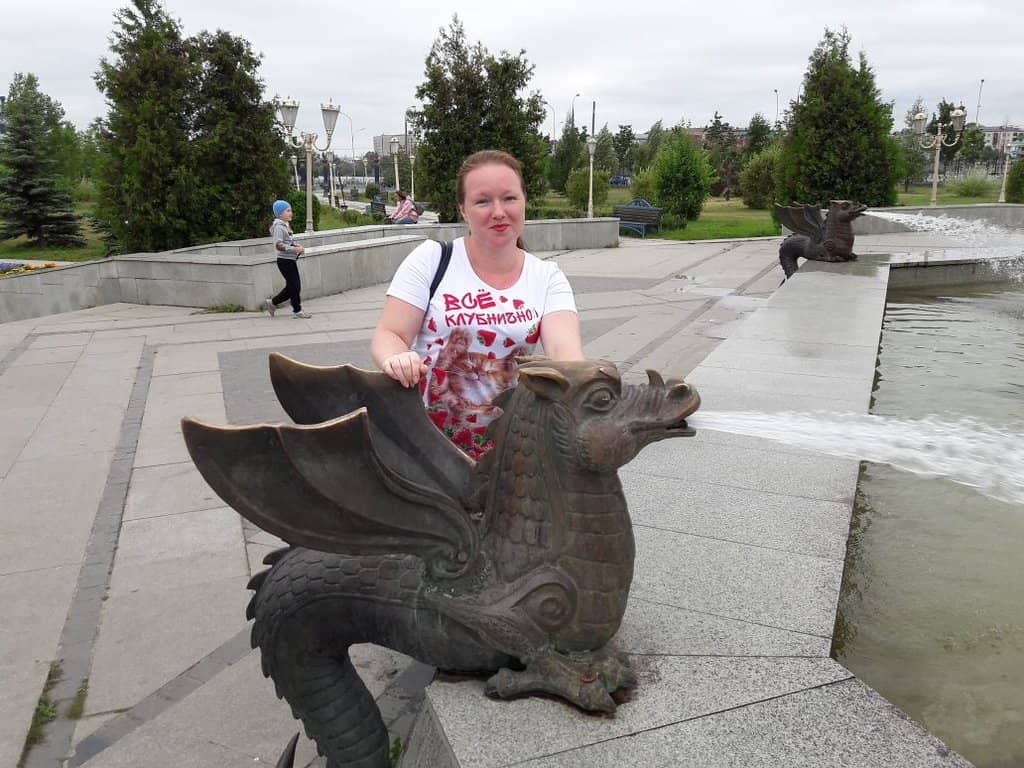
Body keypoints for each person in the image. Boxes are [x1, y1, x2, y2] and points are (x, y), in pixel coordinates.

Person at [371, 150, 583, 458]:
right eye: (483, 201)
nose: (498, 211)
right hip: (428, 449)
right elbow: (390, 334)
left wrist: (591, 392)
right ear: (463, 209)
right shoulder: (432, 259)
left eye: (509, 198)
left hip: (511, 452)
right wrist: (396, 358)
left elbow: (567, 357)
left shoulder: (547, 277)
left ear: (524, 201)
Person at [263, 200, 311, 319]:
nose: (291, 213)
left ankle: (274, 303)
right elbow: (279, 245)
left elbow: (287, 242)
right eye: (288, 211)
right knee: (295, 286)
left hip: (289, 260)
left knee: (292, 287)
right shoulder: (279, 227)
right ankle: (296, 310)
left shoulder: (284, 226)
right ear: (280, 214)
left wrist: (298, 247)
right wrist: (295, 249)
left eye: (290, 210)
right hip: (284, 261)